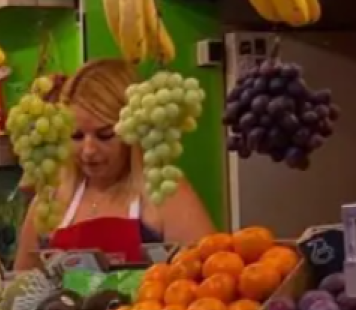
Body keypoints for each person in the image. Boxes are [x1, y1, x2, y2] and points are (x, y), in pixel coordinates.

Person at [14, 59, 216, 268]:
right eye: (76, 136)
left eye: (105, 135)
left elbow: (210, 274)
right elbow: (21, 288)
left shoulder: (164, 193)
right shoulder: (50, 199)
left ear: (132, 131)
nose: (89, 150)